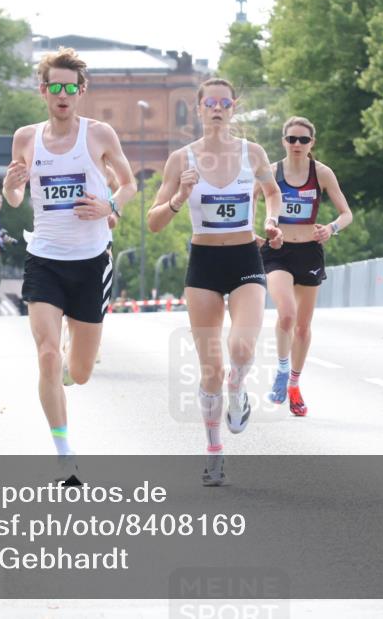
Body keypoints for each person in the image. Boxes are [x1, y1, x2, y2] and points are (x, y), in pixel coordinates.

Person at [2, 47, 137, 484]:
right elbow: (16, 198)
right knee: (45, 353)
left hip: (92, 261)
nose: (62, 95)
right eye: (55, 87)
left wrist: (110, 205)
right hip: (44, 257)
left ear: (81, 91)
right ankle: (64, 453)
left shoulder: (99, 135)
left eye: (70, 88)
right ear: (43, 90)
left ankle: (66, 366)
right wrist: (10, 187)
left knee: (79, 371)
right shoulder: (26, 138)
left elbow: (129, 184)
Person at [148, 78, 284, 486]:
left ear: (234, 107)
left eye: (225, 102)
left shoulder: (252, 153)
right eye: (211, 103)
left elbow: (272, 192)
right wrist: (178, 198)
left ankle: (237, 391)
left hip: (244, 257)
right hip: (204, 263)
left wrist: (271, 221)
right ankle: (213, 452)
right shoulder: (181, 160)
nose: (218, 108)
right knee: (210, 367)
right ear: (199, 109)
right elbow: (154, 221)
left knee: (242, 347)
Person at [256, 117, 353, 417]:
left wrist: (332, 229)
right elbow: (248, 202)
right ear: (283, 141)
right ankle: (282, 370)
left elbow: (346, 213)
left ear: (312, 143)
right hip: (278, 250)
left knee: (302, 326)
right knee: (286, 314)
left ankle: (295, 385)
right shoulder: (271, 172)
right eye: (291, 139)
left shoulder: (321, 173)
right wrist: (254, 233)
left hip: (309, 252)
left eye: (303, 140)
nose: (297, 144)